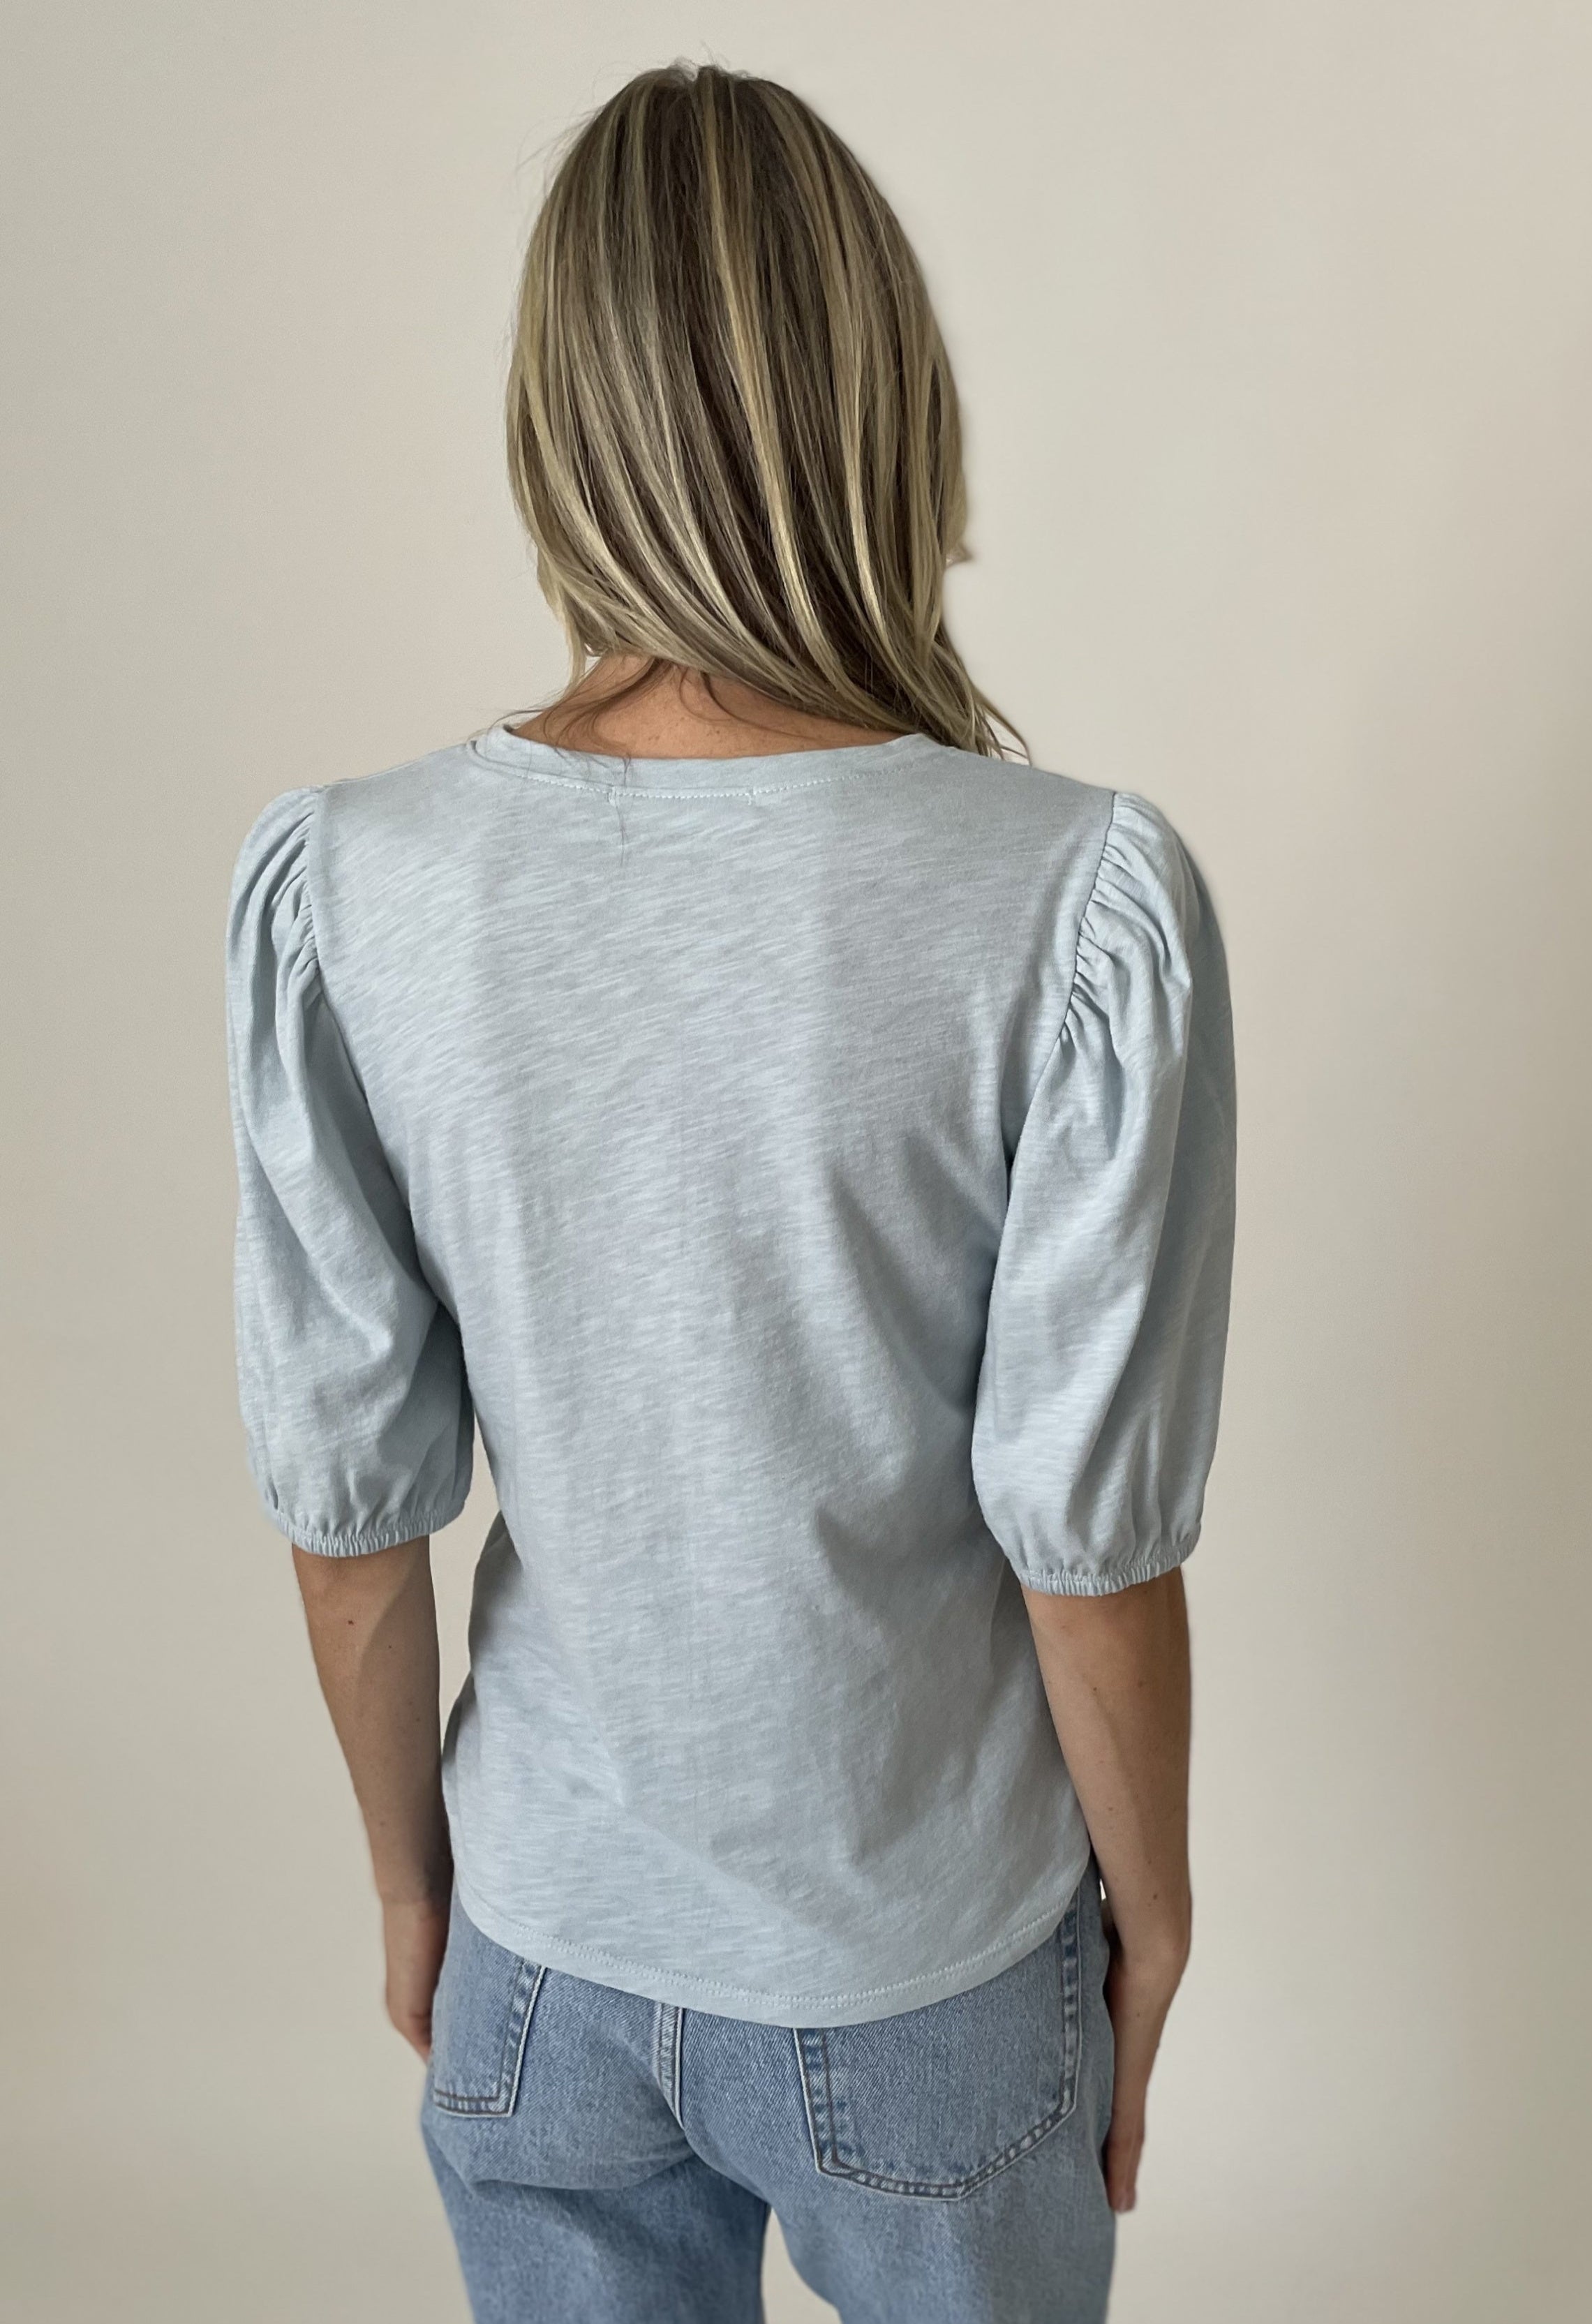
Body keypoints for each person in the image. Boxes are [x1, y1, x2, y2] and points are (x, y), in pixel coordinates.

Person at [225, 59, 1235, 2324]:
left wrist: (412, 1886)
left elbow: (351, 1521)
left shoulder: (356, 882)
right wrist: (1154, 1913)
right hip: (926, 1959)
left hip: (539, 1948)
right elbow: (1083, 1544)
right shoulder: (1070, 897)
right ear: (883, 398)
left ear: (555, 424)